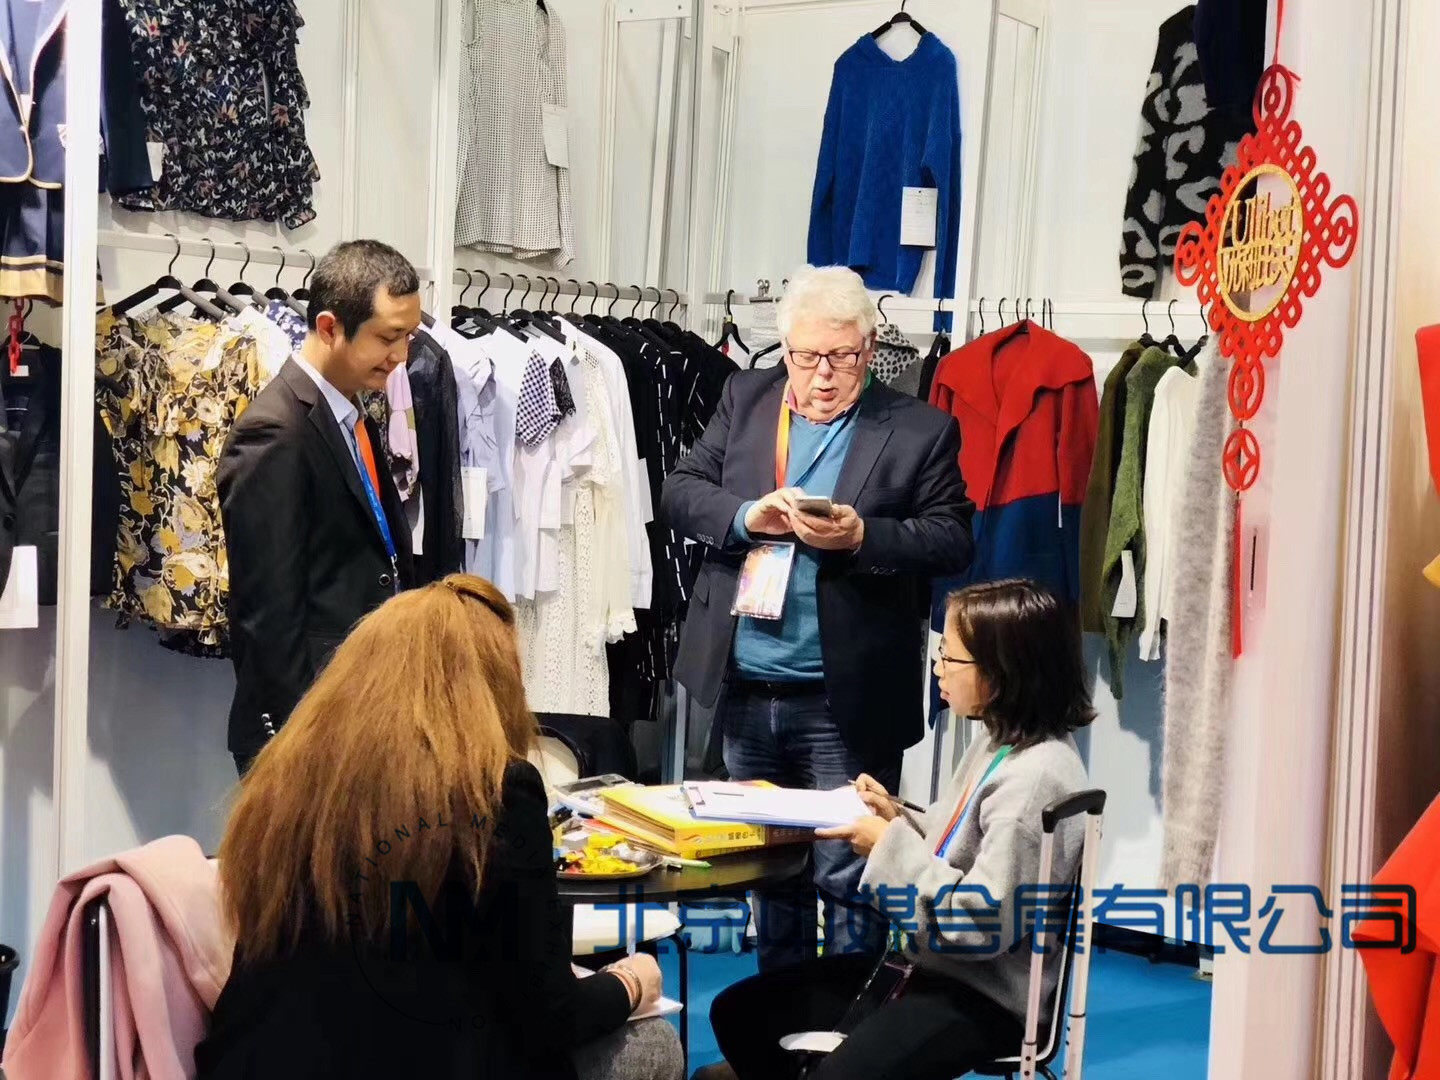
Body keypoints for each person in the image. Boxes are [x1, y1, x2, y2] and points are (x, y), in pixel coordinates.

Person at [195, 574, 684, 1080]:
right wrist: (629, 982)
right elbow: (549, 1017)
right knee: (652, 1046)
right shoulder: (496, 791)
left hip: (249, 1060)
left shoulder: (286, 783)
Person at [662, 265, 974, 970]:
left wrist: (865, 537)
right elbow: (680, 490)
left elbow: (953, 539)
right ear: (786, 349)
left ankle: (848, 1028)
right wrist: (746, 516)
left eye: (842, 356)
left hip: (846, 699)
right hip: (748, 688)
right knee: (771, 877)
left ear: (870, 349)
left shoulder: (920, 429)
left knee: (852, 878)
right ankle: (785, 1020)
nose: (823, 375)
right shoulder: (746, 397)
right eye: (807, 357)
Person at [697, 579, 1093, 1080]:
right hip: (932, 966)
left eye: (950, 657)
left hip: (984, 994)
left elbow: (981, 926)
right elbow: (958, 840)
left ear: (1002, 671)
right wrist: (896, 815)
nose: (938, 667)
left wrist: (888, 846)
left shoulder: (1034, 780)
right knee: (739, 1012)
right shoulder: (1005, 740)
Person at [218, 239, 422, 777]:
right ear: (330, 327)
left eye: (409, 336)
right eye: (388, 337)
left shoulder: (351, 411)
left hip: (360, 707)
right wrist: (301, 744)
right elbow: (267, 615)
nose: (401, 356)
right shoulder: (275, 432)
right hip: (309, 731)